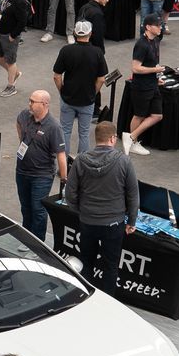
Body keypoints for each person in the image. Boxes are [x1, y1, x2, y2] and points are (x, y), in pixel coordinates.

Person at [68, 120, 138, 294]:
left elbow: (70, 193)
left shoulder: (81, 160)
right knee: (111, 266)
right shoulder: (124, 161)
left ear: (96, 138)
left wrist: (81, 210)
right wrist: (132, 220)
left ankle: (85, 296)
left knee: (86, 261)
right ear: (113, 139)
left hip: (88, 221)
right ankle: (108, 302)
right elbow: (133, 194)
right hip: (114, 224)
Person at [14, 90, 66, 242]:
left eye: (33, 101)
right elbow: (18, 122)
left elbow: (61, 154)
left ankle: (37, 242)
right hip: (22, 171)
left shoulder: (54, 127)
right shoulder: (25, 115)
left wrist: (64, 179)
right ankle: (26, 238)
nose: (29, 103)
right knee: (25, 206)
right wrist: (21, 139)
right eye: (29, 100)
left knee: (38, 209)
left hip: (42, 175)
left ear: (44, 104)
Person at [53, 21, 106, 154]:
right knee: (84, 133)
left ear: (75, 33)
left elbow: (57, 76)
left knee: (65, 131)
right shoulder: (97, 52)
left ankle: (63, 165)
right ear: (90, 33)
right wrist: (94, 93)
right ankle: (82, 165)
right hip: (87, 99)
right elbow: (101, 78)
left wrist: (62, 91)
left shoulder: (66, 50)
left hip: (68, 98)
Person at [124, 16, 166, 157]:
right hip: (141, 86)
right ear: (148, 27)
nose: (161, 28)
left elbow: (150, 64)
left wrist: (156, 78)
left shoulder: (155, 41)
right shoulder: (141, 45)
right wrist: (155, 71)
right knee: (139, 115)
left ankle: (131, 137)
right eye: (158, 25)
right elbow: (135, 68)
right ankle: (133, 143)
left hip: (152, 84)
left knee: (157, 115)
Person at [0, 0, 32, 98]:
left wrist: (13, 35)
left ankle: (11, 86)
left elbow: (23, 21)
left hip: (9, 35)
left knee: (10, 61)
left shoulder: (19, 1)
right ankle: (15, 73)